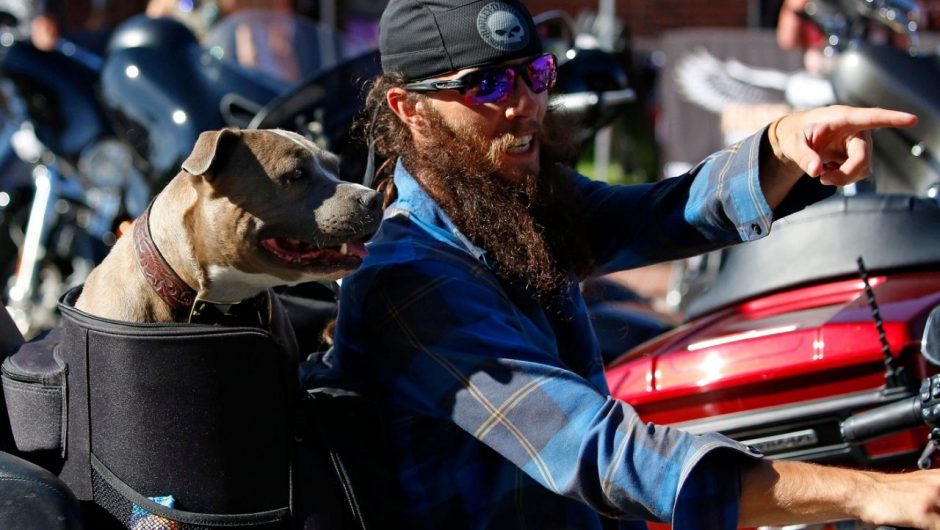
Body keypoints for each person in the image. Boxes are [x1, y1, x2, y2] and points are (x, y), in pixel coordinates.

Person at [316, 0, 937, 528]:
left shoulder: (499, 200)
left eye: (535, 73)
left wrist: (783, 149)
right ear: (409, 110)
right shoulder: (411, 278)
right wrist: (872, 493)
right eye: (488, 85)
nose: (526, 104)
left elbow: (656, 213)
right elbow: (602, 452)